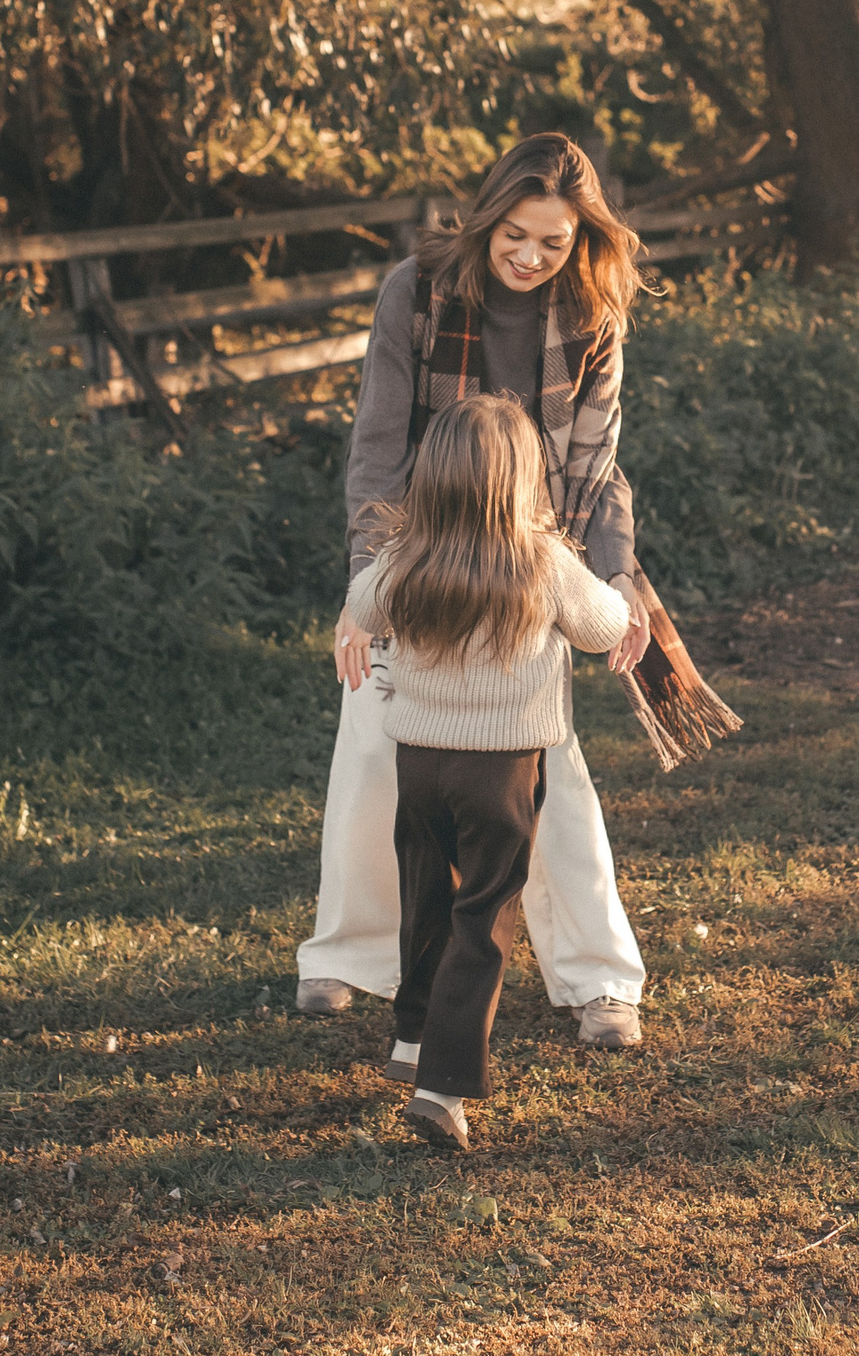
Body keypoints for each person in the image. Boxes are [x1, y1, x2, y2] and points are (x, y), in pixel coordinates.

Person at [295, 134, 738, 1045]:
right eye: (518, 236)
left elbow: (596, 465)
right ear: (489, 215)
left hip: (535, 554)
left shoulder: (591, 317)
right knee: (376, 748)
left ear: (581, 241)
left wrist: (605, 578)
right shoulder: (415, 293)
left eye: (555, 242)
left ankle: (599, 980)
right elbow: (379, 447)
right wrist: (366, 586)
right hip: (424, 551)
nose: (533, 258)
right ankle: (347, 956)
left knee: (548, 769)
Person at [343, 396, 633, 1150]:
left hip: (421, 765)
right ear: (521, 482)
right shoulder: (541, 562)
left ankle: (411, 1037)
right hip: (501, 771)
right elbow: (602, 628)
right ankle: (443, 1083)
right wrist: (619, 595)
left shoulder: (406, 560)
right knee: (485, 918)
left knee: (426, 896)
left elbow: (361, 607)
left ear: (432, 480)